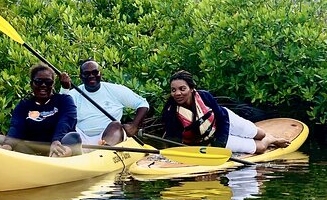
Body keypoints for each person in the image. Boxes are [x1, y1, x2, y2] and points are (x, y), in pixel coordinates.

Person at [161, 70, 289, 154]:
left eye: (182, 89)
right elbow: (173, 137)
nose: (177, 93)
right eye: (173, 90)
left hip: (225, 122)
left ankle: (272, 138)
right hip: (206, 142)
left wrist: (219, 143)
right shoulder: (170, 111)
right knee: (260, 148)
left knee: (260, 134)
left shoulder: (204, 96)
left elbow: (221, 118)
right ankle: (270, 141)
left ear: (192, 89)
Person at [0, 63, 82, 157]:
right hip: (30, 151)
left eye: (48, 82)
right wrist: (7, 146)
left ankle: (53, 162)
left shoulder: (64, 100)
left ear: (53, 84)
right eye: (38, 81)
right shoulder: (23, 105)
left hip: (56, 146)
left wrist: (56, 141)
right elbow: (16, 127)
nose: (43, 85)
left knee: (73, 138)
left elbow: (66, 121)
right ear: (31, 84)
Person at [59, 59, 149, 146]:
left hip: (110, 136)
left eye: (95, 72)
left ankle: (106, 150)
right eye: (86, 73)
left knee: (116, 125)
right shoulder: (73, 94)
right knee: (68, 130)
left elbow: (143, 104)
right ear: (81, 76)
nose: (91, 76)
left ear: (100, 74)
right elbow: (59, 111)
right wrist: (65, 88)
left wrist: (134, 126)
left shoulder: (115, 90)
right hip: (82, 138)